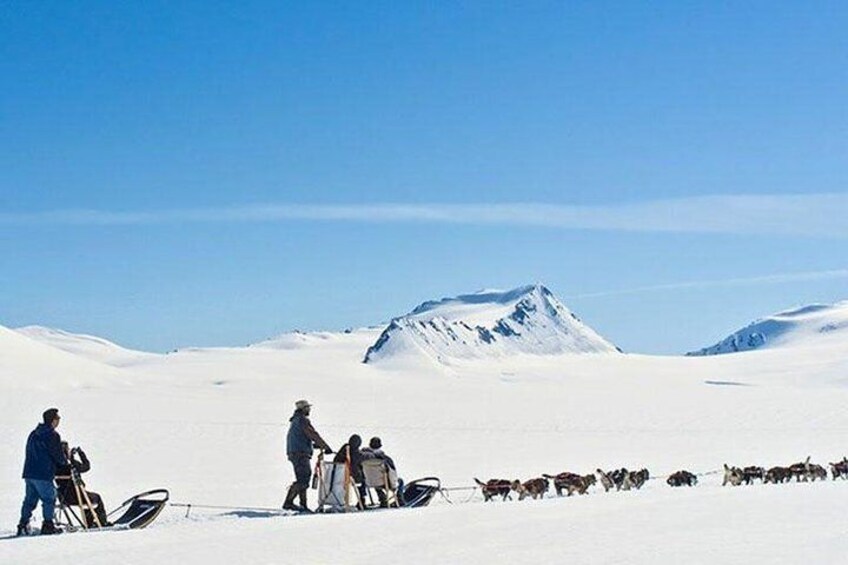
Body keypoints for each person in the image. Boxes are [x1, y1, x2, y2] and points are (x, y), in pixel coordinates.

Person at [18, 408, 69, 536]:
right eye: (57, 419)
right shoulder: (52, 435)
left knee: (30, 500)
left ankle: (23, 524)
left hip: (29, 472)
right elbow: (58, 456)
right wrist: (65, 459)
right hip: (43, 473)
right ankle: (48, 525)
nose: (59, 421)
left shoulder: (34, 433)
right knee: (49, 499)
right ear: (52, 420)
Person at [284, 399, 332, 512]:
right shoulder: (302, 420)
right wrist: (325, 446)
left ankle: (303, 505)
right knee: (304, 479)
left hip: (295, 452)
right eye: (307, 407)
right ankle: (288, 502)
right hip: (300, 454)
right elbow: (312, 434)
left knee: (302, 478)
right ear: (303, 409)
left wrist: (313, 446)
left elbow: (301, 437)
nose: (309, 409)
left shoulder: (296, 420)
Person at [55, 442, 110, 528]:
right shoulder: (72, 465)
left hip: (64, 498)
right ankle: (102, 522)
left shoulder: (55, 466)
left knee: (86, 499)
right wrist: (80, 454)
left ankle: (89, 520)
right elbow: (86, 466)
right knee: (97, 497)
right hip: (77, 497)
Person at [334, 434, 373, 509]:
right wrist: (372, 454)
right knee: (363, 480)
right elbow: (364, 456)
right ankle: (362, 501)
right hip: (351, 476)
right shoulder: (355, 452)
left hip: (338, 475)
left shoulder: (344, 449)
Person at [362, 437, 399, 508]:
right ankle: (400, 500)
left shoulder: (364, 458)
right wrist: (393, 485)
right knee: (400, 481)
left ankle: (383, 498)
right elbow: (392, 474)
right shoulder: (385, 459)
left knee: (376, 477)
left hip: (368, 482)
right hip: (383, 483)